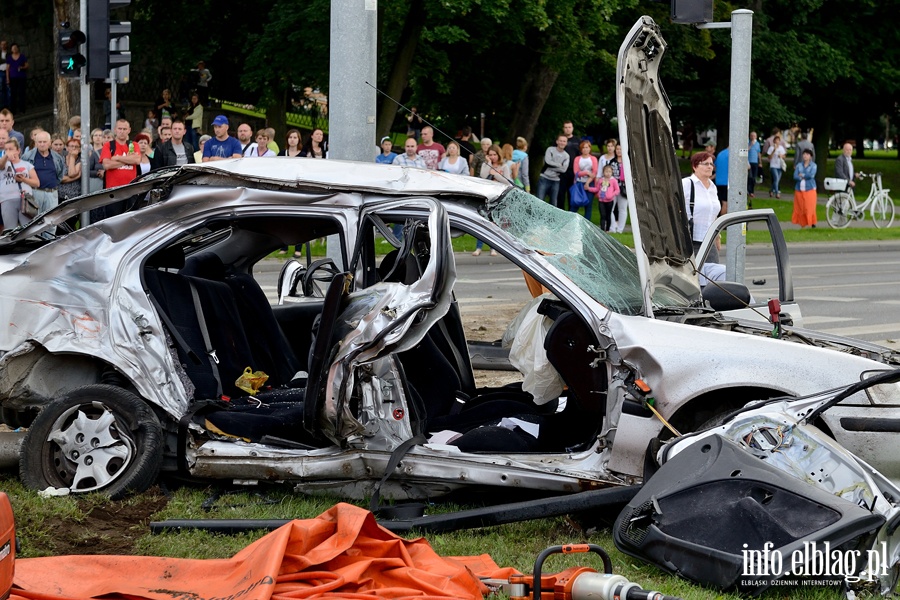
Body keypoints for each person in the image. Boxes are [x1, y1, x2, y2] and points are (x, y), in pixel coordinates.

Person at [681, 152, 721, 263]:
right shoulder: (686, 184)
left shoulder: (713, 187)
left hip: (709, 241)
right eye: (705, 164)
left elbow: (713, 215)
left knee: (713, 275)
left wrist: (717, 237)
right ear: (695, 166)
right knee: (692, 277)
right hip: (690, 242)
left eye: (711, 164)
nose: (709, 167)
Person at [474, 144, 510, 256]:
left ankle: (493, 247)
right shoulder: (487, 164)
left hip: (499, 198)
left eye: (494, 155)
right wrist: (489, 163)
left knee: (495, 224)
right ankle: (478, 247)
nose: (493, 157)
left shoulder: (504, 166)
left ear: (498, 154)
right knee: (483, 222)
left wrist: (496, 175)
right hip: (488, 197)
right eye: (490, 155)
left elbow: (507, 182)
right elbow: (483, 176)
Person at [22, 131, 64, 218]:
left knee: (52, 222)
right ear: (36, 143)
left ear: (49, 143)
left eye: (44, 142)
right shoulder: (27, 157)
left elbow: (60, 175)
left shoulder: (57, 158)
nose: (42, 144)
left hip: (52, 193)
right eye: (39, 142)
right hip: (34, 193)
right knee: (33, 222)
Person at [1, 138, 38, 230]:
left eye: (11, 149)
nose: (8, 151)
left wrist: (24, 179)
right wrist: (6, 156)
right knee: (10, 229)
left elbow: (36, 183)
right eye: (6, 149)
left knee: (28, 229)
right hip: (7, 200)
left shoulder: (27, 165)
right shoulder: (3, 164)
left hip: (24, 200)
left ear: (18, 150)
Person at [534, 134, 570, 208]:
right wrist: (559, 165)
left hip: (556, 180)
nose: (562, 143)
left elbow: (564, 170)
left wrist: (551, 166)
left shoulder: (566, 156)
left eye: (564, 141)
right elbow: (547, 162)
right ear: (557, 141)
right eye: (560, 141)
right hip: (544, 178)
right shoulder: (550, 150)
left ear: (566, 143)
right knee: (539, 201)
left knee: (553, 203)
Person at [586, 164, 620, 232]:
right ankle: (602, 230)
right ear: (603, 172)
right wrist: (589, 188)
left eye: (609, 172)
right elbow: (597, 189)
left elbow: (617, 190)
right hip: (601, 200)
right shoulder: (601, 180)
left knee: (608, 215)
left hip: (610, 201)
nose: (608, 173)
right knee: (603, 215)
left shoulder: (613, 181)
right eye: (606, 171)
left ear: (612, 172)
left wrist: (612, 194)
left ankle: (607, 229)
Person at [570, 140, 598, 220]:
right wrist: (586, 172)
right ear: (581, 149)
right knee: (575, 204)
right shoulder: (577, 159)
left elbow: (594, 172)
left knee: (588, 206)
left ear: (590, 148)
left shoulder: (593, 159)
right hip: (579, 184)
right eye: (583, 148)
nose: (585, 149)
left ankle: (586, 224)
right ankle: (570, 223)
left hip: (589, 184)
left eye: (587, 147)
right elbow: (576, 172)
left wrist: (587, 183)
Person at [792, 148, 817, 228]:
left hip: (810, 188)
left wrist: (802, 175)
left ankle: (811, 222)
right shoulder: (799, 165)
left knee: (809, 206)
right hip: (799, 189)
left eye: (807, 154)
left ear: (810, 156)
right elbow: (795, 176)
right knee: (800, 207)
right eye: (804, 154)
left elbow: (811, 175)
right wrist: (802, 176)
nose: (805, 156)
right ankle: (802, 223)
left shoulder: (813, 165)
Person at [557, 120, 580, 210]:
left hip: (572, 171)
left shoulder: (577, 141)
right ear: (563, 128)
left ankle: (571, 214)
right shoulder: (560, 140)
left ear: (572, 128)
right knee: (560, 194)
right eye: (566, 127)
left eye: (569, 127)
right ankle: (560, 213)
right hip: (561, 171)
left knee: (571, 194)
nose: (567, 129)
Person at [609, 143, 628, 233]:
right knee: (611, 207)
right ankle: (613, 227)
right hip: (612, 187)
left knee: (622, 208)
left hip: (623, 188)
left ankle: (620, 229)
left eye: (620, 149)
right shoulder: (612, 162)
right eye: (617, 149)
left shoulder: (627, 162)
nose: (619, 151)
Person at [5, 43, 28, 114]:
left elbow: (27, 65)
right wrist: (8, 79)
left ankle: (22, 109)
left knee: (22, 93)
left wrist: (22, 67)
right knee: (13, 94)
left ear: (18, 48)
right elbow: (7, 69)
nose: (14, 49)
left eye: (15, 48)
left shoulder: (22, 56)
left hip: (21, 77)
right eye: (13, 48)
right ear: (11, 49)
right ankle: (13, 110)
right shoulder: (9, 58)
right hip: (13, 78)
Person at [767, 134, 787, 199]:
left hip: (779, 166)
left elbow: (784, 156)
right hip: (773, 166)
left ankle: (771, 190)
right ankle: (777, 193)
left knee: (777, 180)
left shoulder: (781, 148)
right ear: (774, 141)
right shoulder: (771, 148)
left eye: (778, 140)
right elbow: (769, 157)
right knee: (776, 178)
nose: (777, 141)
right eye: (776, 140)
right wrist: (774, 150)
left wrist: (781, 156)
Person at [714, 146, 729, 214]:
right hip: (727, 182)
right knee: (725, 203)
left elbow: (715, 167)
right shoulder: (734, 154)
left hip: (718, 182)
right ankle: (723, 222)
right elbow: (747, 166)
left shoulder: (721, 153)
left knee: (720, 203)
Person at [747, 132, 760, 200]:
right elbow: (746, 150)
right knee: (750, 177)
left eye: (754, 136)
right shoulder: (747, 142)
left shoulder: (757, 144)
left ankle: (752, 191)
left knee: (754, 178)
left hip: (755, 162)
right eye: (751, 135)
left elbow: (758, 153)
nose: (753, 137)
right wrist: (751, 144)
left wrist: (760, 162)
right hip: (749, 162)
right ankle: (749, 191)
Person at [0, 40, 8, 109]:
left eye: (5, 44)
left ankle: (8, 105)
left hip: (8, 72)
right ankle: (2, 106)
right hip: (1, 72)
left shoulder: (9, 53)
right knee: (1, 89)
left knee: (8, 89)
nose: (3, 46)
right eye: (2, 44)